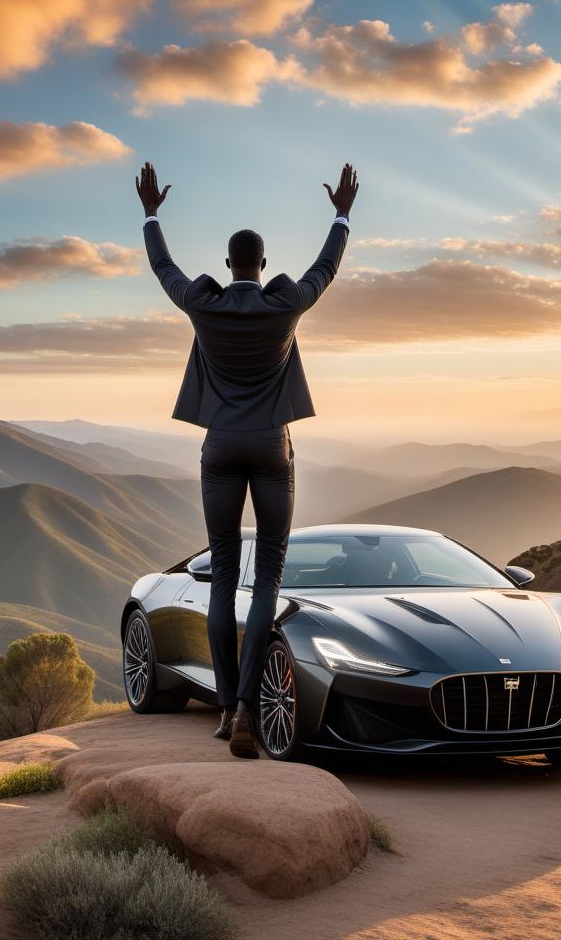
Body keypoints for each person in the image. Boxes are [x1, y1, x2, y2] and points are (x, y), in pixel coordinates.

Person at [135, 159, 359, 757]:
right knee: (268, 579)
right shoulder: (282, 306)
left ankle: (223, 705)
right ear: (260, 266)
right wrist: (341, 214)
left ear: (229, 263)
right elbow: (323, 270)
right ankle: (247, 710)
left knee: (222, 579)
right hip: (270, 446)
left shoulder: (202, 305)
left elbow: (164, 268)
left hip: (220, 446)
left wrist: (152, 213)